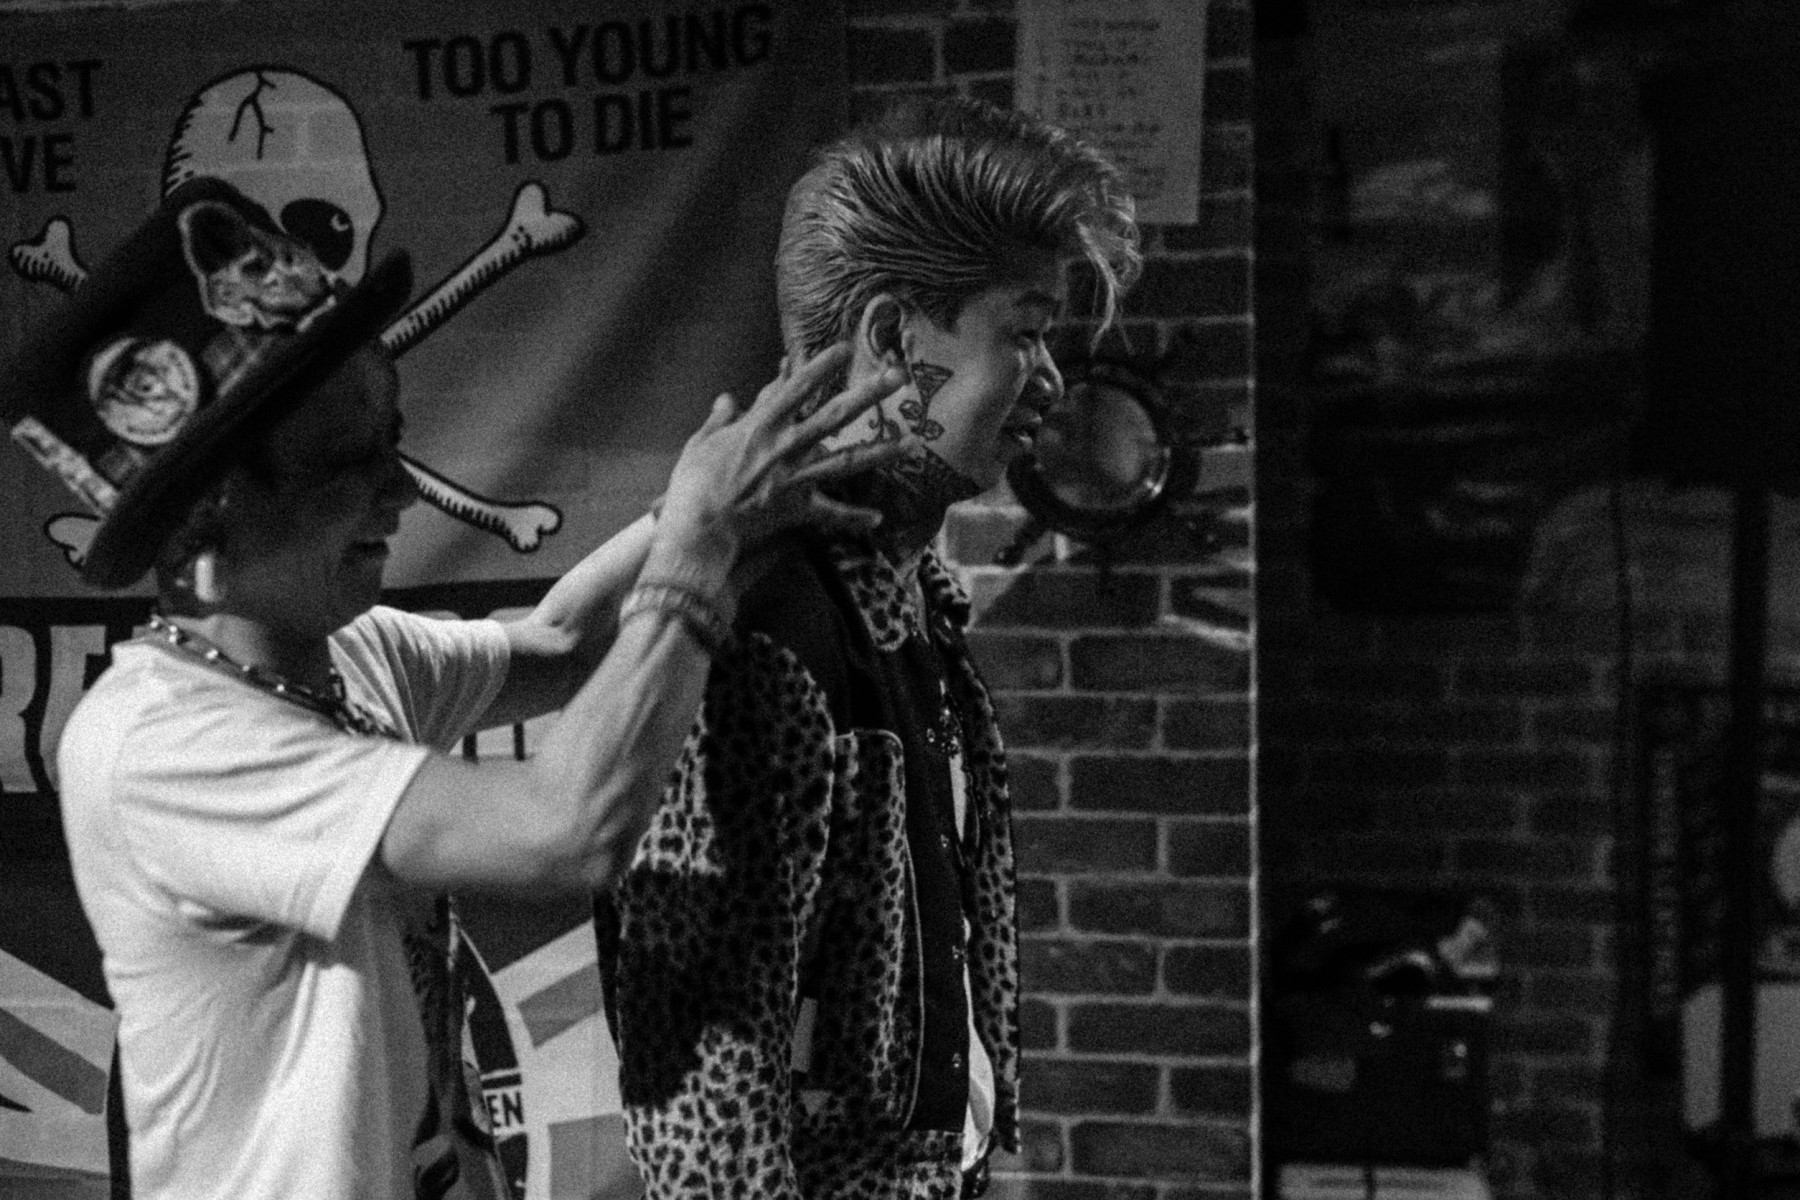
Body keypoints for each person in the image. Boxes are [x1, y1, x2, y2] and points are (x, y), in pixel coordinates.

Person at [1, 177, 905, 1200]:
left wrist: (716, 503)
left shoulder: (352, 652)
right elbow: (565, 829)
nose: (397, 488)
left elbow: (562, 639)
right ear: (207, 516)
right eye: (347, 462)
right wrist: (696, 550)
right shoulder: (162, 744)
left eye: (391, 441)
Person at [595, 95, 1141, 1199]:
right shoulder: (763, 625)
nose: (1049, 378)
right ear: (894, 341)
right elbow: (703, 1102)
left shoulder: (902, 596)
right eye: (1024, 332)